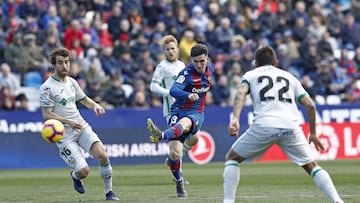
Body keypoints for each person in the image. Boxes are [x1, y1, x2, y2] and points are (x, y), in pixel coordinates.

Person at [222, 46, 343, 203]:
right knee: (311, 165)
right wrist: (312, 134)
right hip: (290, 126)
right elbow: (310, 105)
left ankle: (228, 201)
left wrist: (235, 118)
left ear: (256, 64)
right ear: (276, 62)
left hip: (264, 125)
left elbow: (240, 94)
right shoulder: (289, 77)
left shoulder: (250, 75)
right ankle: (337, 200)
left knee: (232, 158)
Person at [39, 47, 119, 201]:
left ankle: (109, 192)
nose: (65, 66)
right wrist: (68, 121)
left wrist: (95, 105)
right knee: (83, 171)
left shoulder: (72, 82)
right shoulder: (47, 88)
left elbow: (83, 99)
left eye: (67, 62)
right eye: (61, 63)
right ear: (54, 65)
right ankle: (75, 175)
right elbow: (47, 114)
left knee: (102, 155)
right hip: (64, 135)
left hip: (81, 126)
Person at [147, 43, 214, 197]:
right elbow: (174, 90)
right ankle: (179, 181)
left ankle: (161, 135)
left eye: (202, 61)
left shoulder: (210, 70)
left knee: (186, 125)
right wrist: (187, 95)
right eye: (195, 61)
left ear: (207, 59)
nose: (198, 65)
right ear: (191, 60)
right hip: (178, 109)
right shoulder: (187, 73)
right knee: (175, 153)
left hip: (196, 112)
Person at [149, 35, 197, 184]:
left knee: (195, 138)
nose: (170, 51)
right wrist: (168, 92)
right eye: (167, 49)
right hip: (172, 110)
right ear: (164, 51)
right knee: (177, 144)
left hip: (186, 108)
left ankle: (172, 160)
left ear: (177, 49)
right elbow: (153, 86)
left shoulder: (182, 65)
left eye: (173, 48)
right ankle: (179, 175)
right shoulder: (162, 67)